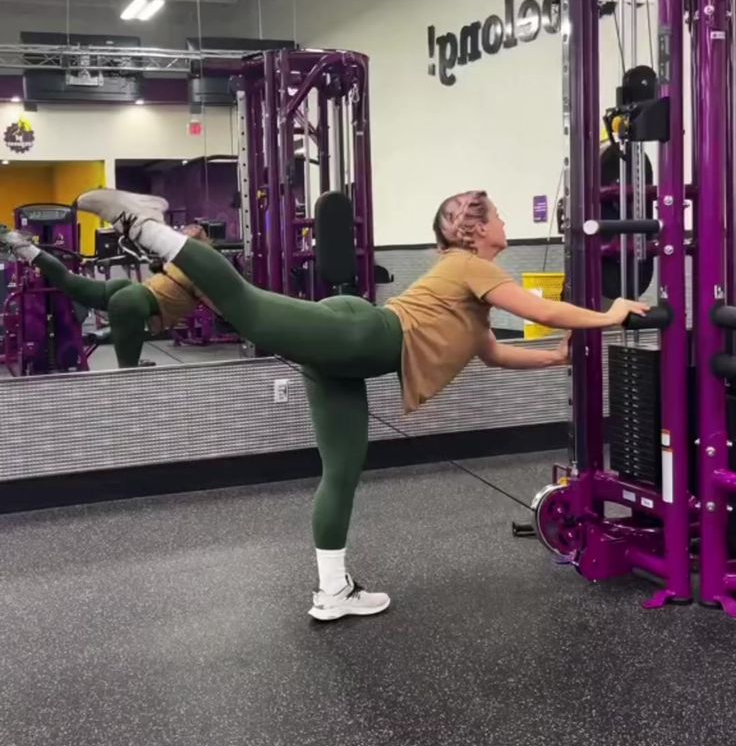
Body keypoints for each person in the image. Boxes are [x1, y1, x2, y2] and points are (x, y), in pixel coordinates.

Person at [75, 186, 648, 623]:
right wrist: (609, 314)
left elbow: (492, 352)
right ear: (472, 230)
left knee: (342, 471)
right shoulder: (474, 267)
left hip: (345, 363)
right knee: (244, 304)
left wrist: (555, 360)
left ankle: (333, 592)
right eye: (496, 213)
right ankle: (146, 223)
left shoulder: (465, 289)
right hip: (358, 334)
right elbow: (541, 312)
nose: (505, 221)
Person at [0, 218, 216, 369]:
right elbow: (224, 306)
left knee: (66, 279)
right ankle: (127, 378)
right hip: (131, 302)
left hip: (124, 289)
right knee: (127, 372)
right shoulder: (203, 271)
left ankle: (19, 245)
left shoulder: (177, 259)